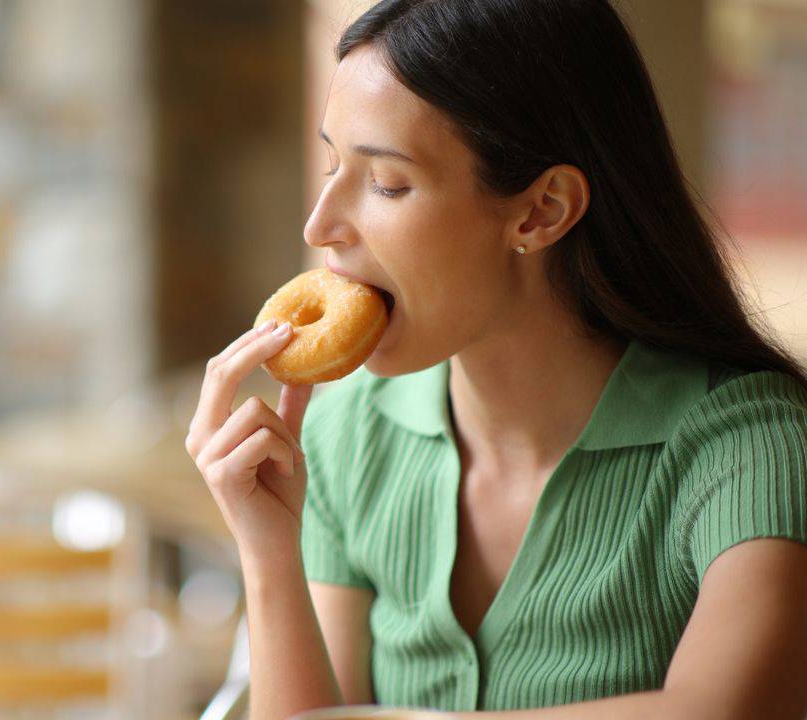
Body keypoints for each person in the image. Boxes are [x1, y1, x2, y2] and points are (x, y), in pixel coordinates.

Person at [184, 1, 807, 718]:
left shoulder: (749, 446)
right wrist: (268, 556)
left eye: (386, 183)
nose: (319, 225)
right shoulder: (348, 433)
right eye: (330, 165)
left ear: (541, 211)